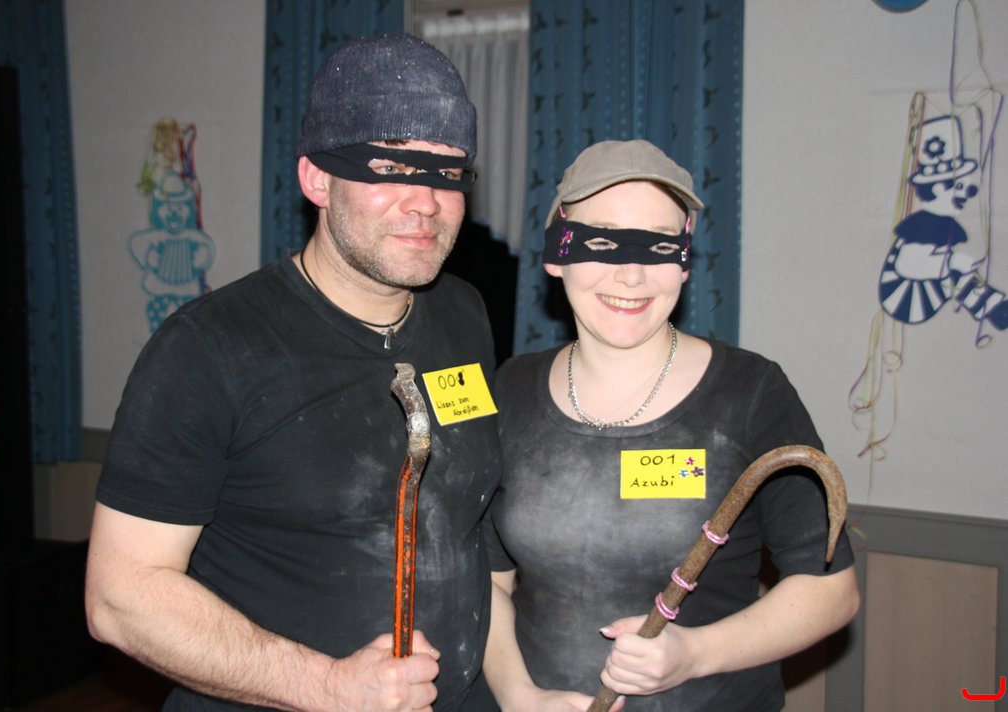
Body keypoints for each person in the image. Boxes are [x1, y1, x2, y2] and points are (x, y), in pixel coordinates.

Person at [85, 33, 502, 712]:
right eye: (389, 166)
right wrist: (326, 686)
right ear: (317, 179)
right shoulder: (209, 349)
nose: (425, 201)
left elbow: (468, 518)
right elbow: (120, 596)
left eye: (447, 172)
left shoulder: (465, 314)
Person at [483, 139, 860, 712]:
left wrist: (693, 653)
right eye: (602, 242)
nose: (632, 276)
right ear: (557, 252)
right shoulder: (509, 390)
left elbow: (832, 591)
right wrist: (520, 697)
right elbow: (489, 580)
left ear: (684, 260)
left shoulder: (751, 393)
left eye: (659, 246)